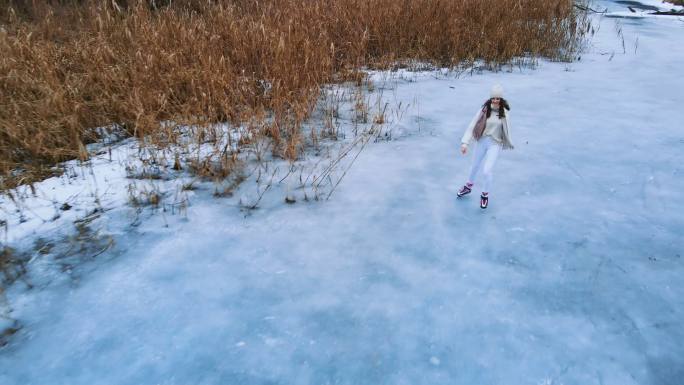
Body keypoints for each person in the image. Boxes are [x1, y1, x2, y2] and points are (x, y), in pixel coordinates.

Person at [457, 84, 514, 209]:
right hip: (481, 141)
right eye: (493, 98)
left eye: (498, 98)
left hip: (495, 144)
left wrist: (507, 142)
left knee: (487, 171)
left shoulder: (504, 112)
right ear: (490, 98)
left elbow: (507, 129)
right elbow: (473, 124)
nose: (495, 100)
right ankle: (468, 186)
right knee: (474, 166)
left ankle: (485, 194)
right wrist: (465, 142)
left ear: (501, 99)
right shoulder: (484, 109)